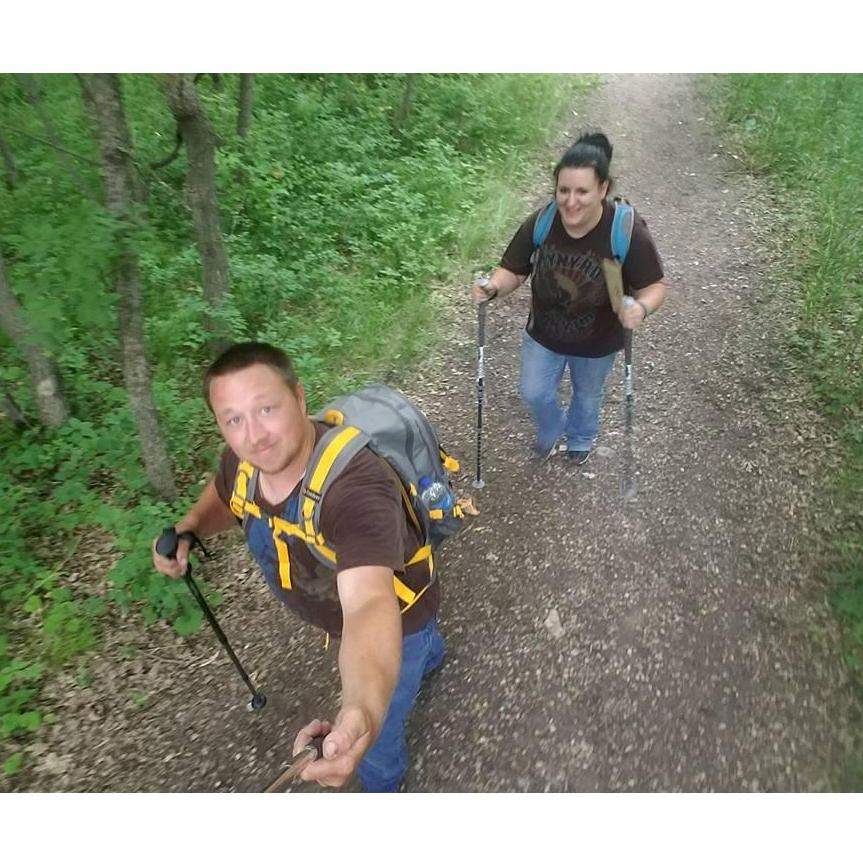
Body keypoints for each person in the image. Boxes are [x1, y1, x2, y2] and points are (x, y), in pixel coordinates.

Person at [152, 342, 445, 792]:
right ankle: (431, 655)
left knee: (377, 739)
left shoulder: (357, 488)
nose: (254, 435)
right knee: (421, 651)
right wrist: (190, 526)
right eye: (233, 419)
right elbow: (226, 494)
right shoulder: (244, 463)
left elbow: (368, 603)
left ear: (300, 398)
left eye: (266, 408)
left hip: (397, 618)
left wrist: (360, 712)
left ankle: (384, 785)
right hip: (349, 614)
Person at [471, 130, 667, 465]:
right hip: (544, 334)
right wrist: (492, 287)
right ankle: (552, 427)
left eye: (582, 191)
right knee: (533, 391)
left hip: (597, 342)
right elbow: (513, 270)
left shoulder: (625, 231)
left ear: (603, 189)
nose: (570, 201)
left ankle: (581, 437)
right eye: (563, 190)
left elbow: (655, 286)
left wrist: (641, 308)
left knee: (588, 396)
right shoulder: (543, 222)